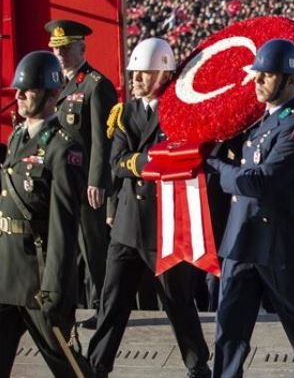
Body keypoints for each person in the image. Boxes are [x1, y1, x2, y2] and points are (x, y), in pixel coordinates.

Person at [206, 39, 294, 377]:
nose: (258, 80)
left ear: (290, 80)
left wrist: (216, 166)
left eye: (268, 75)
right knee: (229, 331)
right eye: (258, 74)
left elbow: (261, 182)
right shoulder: (260, 121)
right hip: (243, 239)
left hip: (281, 244)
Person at [87, 39, 210, 378]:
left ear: (164, 73)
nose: (136, 79)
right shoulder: (124, 113)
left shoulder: (179, 112)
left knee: (177, 302)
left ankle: (198, 365)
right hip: (127, 225)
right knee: (112, 302)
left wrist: (144, 161)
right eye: (135, 72)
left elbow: (186, 158)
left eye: (144, 72)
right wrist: (152, 161)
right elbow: (116, 162)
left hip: (165, 225)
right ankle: (97, 365)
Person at [0, 51, 94, 377]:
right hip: (7, 273)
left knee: (66, 365)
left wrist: (54, 286)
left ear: (52, 95)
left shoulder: (64, 148)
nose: (19, 95)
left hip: (39, 280)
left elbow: (63, 225)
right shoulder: (17, 137)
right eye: (18, 89)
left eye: (29, 90)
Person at [47, 19, 118, 330]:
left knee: (93, 249)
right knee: (64, 248)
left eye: (65, 48)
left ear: (81, 48)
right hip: (62, 182)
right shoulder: (56, 85)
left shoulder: (95, 85)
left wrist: (97, 181)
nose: (60, 54)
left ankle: (104, 308)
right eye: (56, 49)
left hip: (86, 183)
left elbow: (103, 140)